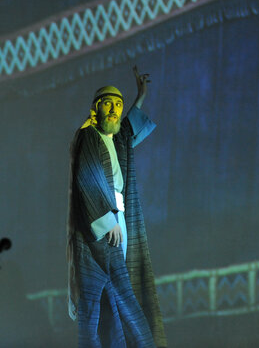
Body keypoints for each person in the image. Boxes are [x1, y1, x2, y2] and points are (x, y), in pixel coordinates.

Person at [66, 68, 167, 347]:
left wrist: (140, 97)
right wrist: (105, 219)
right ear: (95, 108)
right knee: (124, 296)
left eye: (118, 105)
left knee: (94, 307)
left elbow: (128, 129)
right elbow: (87, 176)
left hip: (114, 221)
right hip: (100, 228)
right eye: (108, 104)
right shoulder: (89, 137)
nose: (114, 110)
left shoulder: (116, 138)